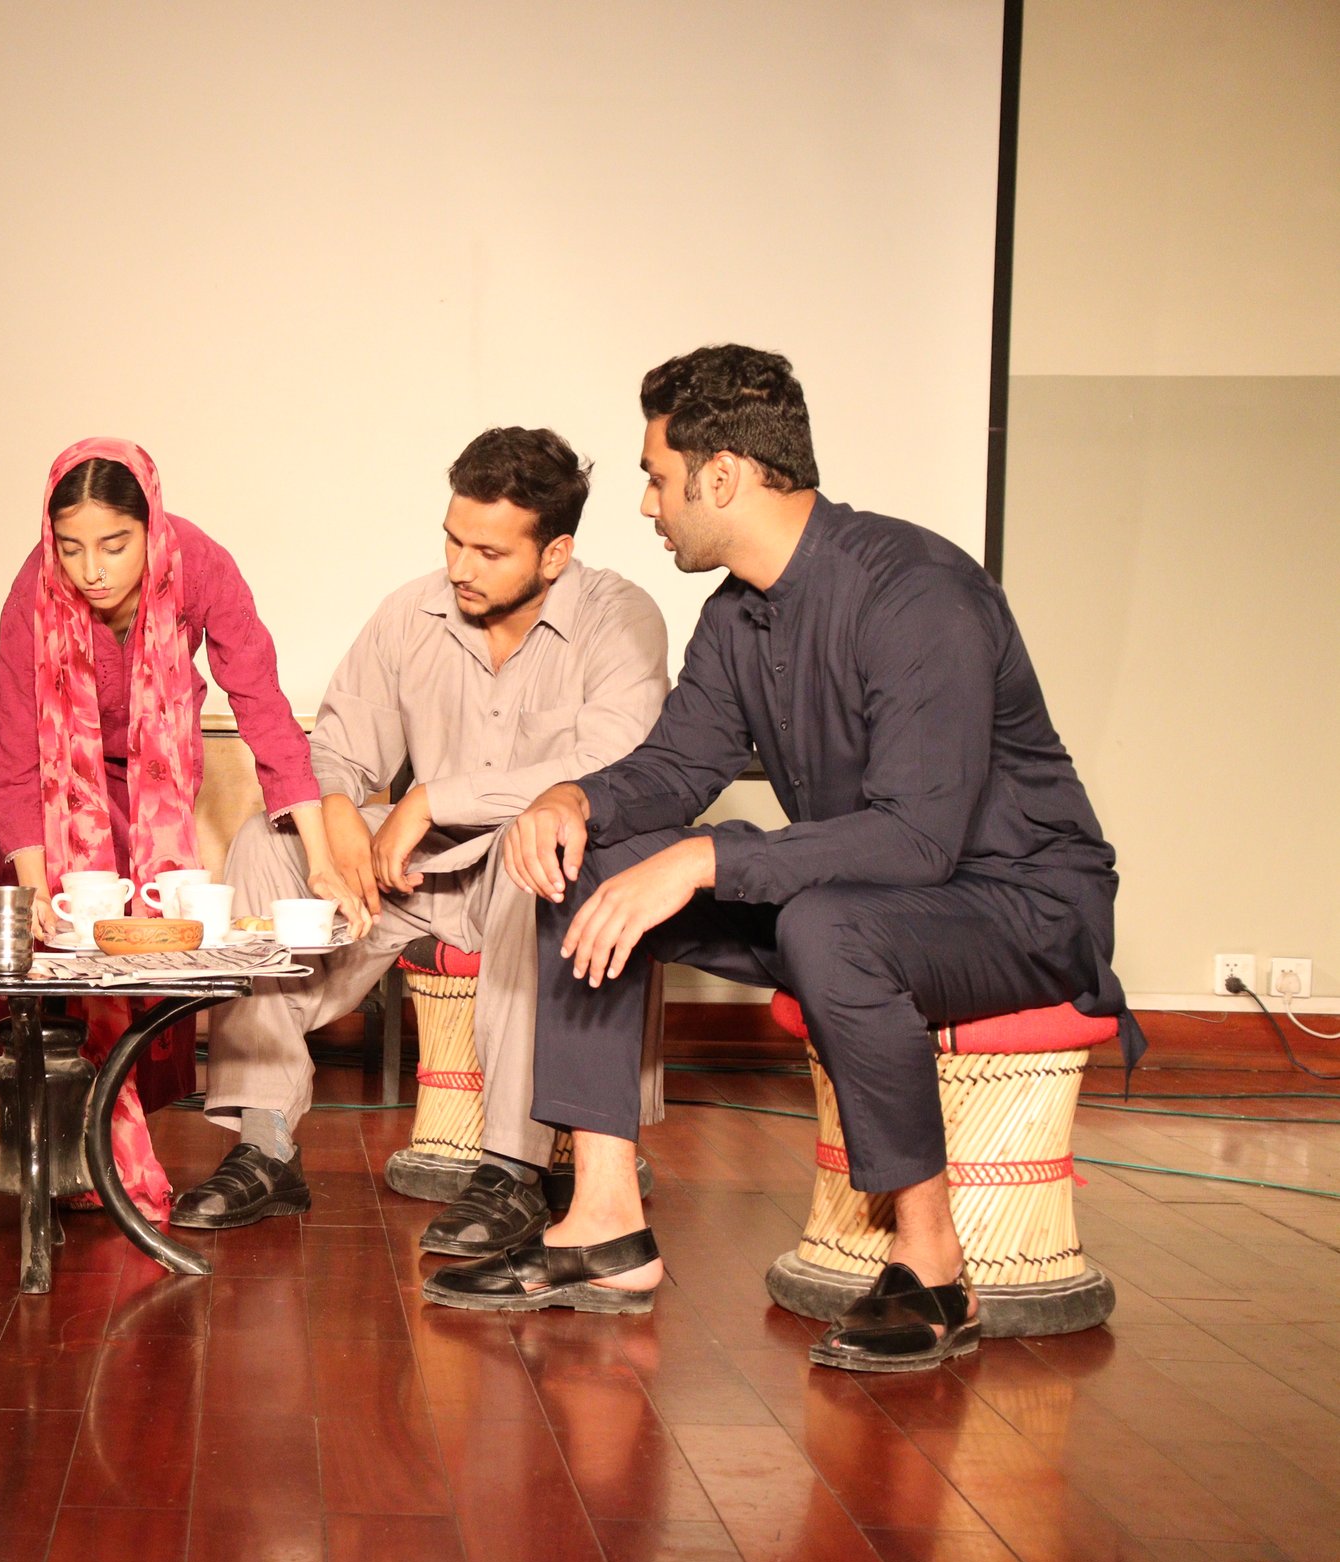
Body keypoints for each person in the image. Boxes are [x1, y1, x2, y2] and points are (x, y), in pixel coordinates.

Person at [437, 345, 1139, 1373]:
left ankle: (934, 1268)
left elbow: (917, 838)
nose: (645, 503)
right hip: (855, 890)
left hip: (1018, 900)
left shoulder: (919, 593)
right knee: (585, 860)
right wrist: (570, 797)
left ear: (721, 476)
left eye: (656, 476)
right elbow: (676, 764)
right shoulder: (732, 616)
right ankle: (602, 1225)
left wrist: (706, 860)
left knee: (819, 920)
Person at [183, 427, 669, 1236]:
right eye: (451, 539)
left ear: (553, 555)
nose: (459, 567)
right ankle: (265, 1145)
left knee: (535, 853)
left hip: (535, 876)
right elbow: (335, 750)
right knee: (267, 844)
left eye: (488, 551)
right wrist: (338, 816)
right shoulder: (411, 611)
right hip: (418, 877)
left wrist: (433, 797)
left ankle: (512, 1169)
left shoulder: (621, 618)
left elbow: (611, 764)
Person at [0, 438, 359, 1223]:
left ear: (150, 526)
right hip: (56, 798)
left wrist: (319, 860)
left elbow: (264, 711)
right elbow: (12, 752)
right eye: (73, 546)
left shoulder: (201, 566)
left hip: (150, 787)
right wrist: (32, 880)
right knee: (61, 967)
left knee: (148, 966)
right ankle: (68, 1158)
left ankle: (111, 1151)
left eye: (115, 544)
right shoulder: (34, 593)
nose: (92, 569)